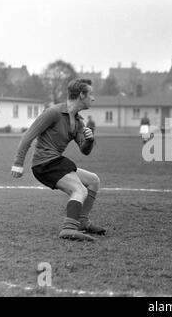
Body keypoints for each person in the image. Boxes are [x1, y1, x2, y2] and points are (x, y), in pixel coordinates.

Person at [11, 79, 106, 241]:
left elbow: (84, 151)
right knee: (80, 190)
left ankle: (82, 222)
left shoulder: (78, 121)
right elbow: (28, 136)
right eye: (91, 94)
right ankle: (68, 229)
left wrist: (89, 140)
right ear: (81, 95)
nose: (93, 98)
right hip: (44, 164)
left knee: (93, 181)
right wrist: (18, 162)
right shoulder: (53, 112)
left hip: (55, 161)